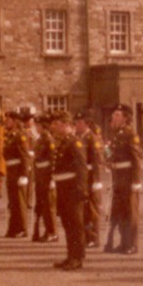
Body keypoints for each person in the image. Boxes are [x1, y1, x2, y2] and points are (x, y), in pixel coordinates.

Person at [50, 110, 88, 271]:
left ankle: (78, 258)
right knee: (67, 224)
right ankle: (71, 255)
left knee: (75, 225)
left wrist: (81, 191)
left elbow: (81, 169)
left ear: (67, 125)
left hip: (73, 189)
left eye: (57, 124)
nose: (54, 127)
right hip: (63, 188)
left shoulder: (74, 142)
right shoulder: (63, 142)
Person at [105, 104, 143, 254]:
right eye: (114, 114)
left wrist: (136, 181)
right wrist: (109, 160)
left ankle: (132, 244)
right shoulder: (115, 134)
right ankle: (123, 242)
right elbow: (113, 154)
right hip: (118, 176)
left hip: (128, 176)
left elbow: (136, 159)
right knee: (120, 211)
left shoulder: (130, 134)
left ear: (125, 118)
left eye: (117, 115)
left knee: (130, 211)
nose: (114, 117)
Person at [75, 110, 104, 248]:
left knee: (92, 209)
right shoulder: (78, 137)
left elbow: (98, 160)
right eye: (76, 122)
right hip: (82, 177)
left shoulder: (92, 138)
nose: (77, 125)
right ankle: (87, 236)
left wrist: (97, 180)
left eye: (79, 122)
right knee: (84, 209)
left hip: (91, 176)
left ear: (86, 124)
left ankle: (94, 237)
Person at [3, 111, 31, 238]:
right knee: (13, 201)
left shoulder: (20, 136)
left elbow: (24, 156)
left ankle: (22, 228)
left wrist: (24, 175)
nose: (6, 122)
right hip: (11, 170)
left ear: (14, 122)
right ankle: (14, 227)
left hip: (18, 170)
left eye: (8, 120)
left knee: (19, 201)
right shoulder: (10, 135)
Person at [32, 114, 59, 242]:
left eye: (37, 125)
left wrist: (53, 178)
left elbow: (53, 159)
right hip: (40, 175)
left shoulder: (49, 140)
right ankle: (47, 230)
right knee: (42, 205)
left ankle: (52, 232)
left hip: (47, 175)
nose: (36, 128)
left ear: (43, 126)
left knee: (49, 205)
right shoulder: (39, 139)